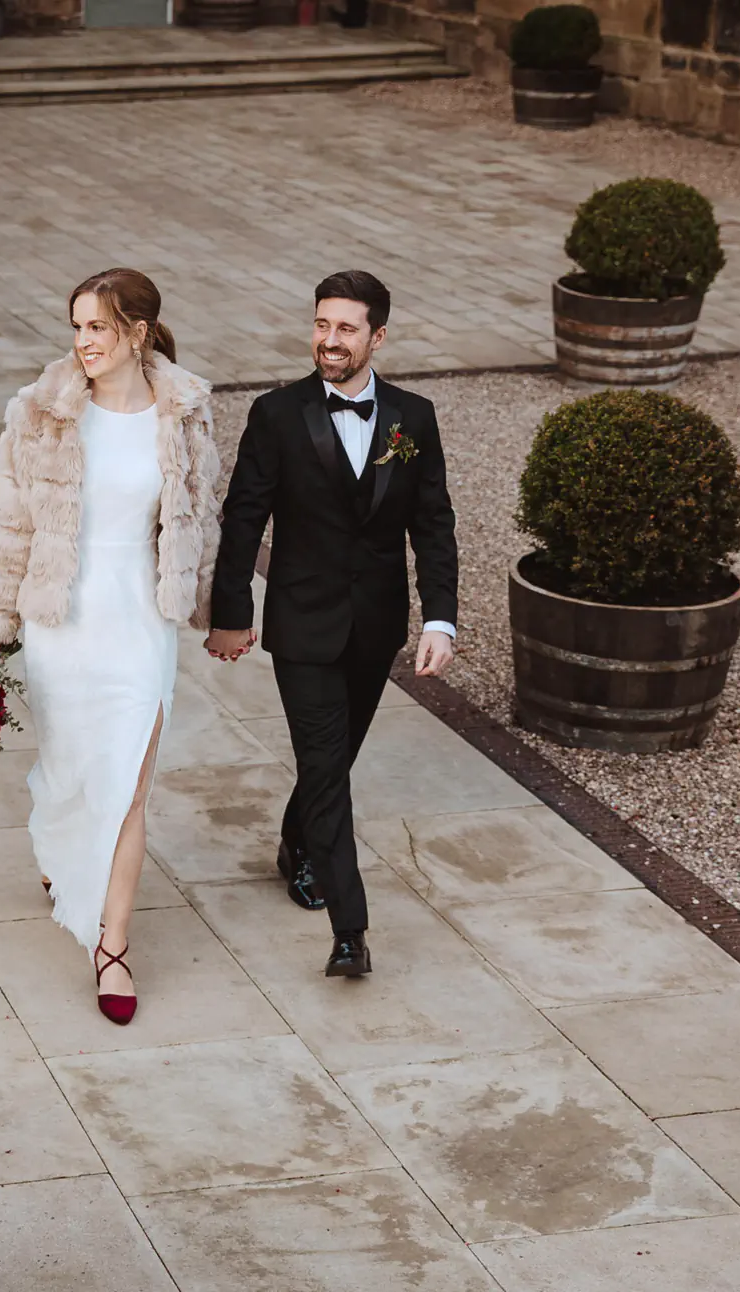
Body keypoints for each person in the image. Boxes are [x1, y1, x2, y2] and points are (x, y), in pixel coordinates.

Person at [0, 268, 225, 1025]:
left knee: (127, 786)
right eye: (76, 327)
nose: (83, 342)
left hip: (140, 624)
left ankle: (112, 945)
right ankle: (62, 850)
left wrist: (216, 610)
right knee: (69, 773)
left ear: (137, 333)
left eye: (98, 328)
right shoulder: (40, 411)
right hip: (62, 622)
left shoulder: (184, 412)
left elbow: (200, 518)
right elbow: (10, 522)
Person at [205, 270, 459, 979]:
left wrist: (440, 618)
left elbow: (433, 524)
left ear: (378, 337)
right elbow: (243, 517)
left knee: (332, 760)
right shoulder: (276, 414)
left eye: (346, 328)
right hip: (303, 624)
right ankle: (351, 930)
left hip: (376, 626)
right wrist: (232, 613)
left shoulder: (413, 417)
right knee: (325, 766)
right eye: (322, 324)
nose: (329, 340)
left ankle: (296, 842)